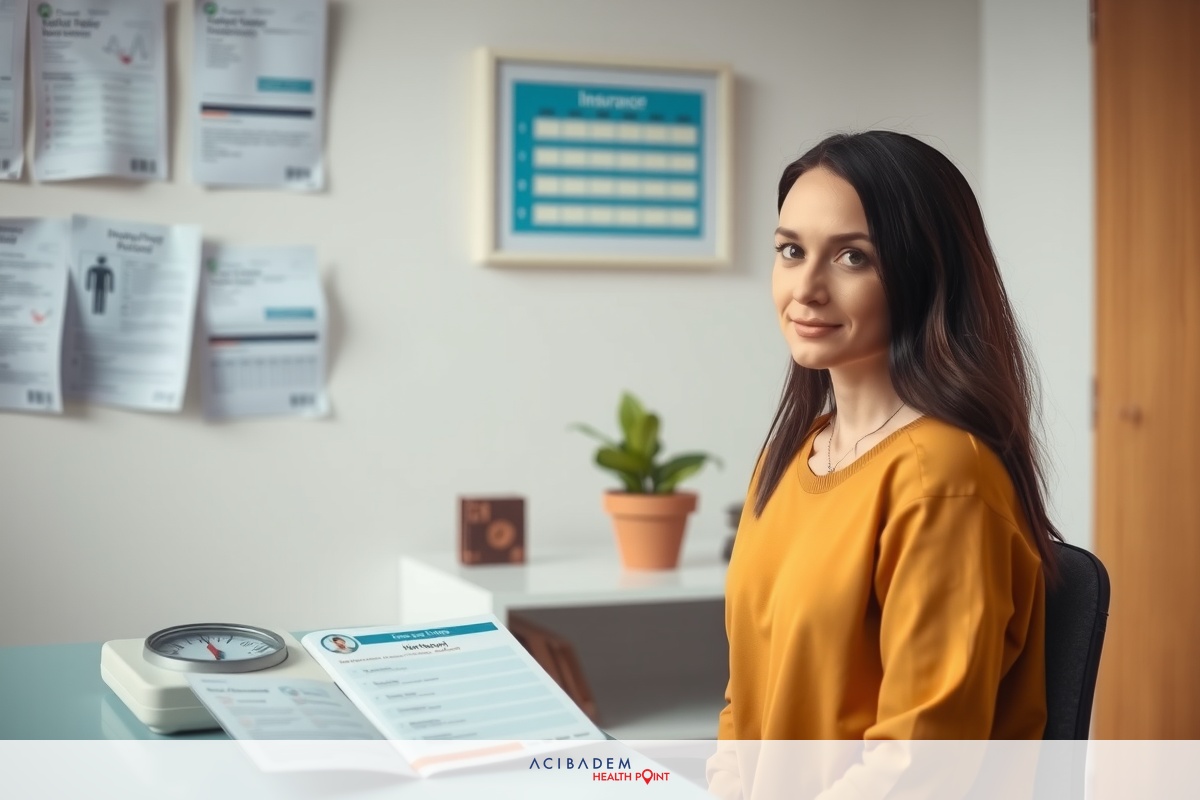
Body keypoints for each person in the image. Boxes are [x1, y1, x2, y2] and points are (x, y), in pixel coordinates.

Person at [708, 131, 1059, 797]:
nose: (806, 288)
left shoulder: (943, 477)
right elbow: (746, 697)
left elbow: (920, 764)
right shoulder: (792, 454)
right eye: (791, 250)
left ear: (923, 274)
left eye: (851, 258)